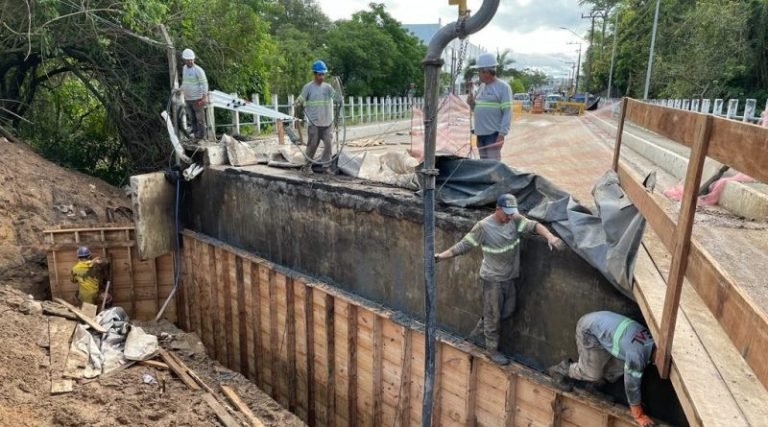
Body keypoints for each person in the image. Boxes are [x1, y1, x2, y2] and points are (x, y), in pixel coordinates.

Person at [435, 194, 565, 365]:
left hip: (509, 278)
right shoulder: (483, 227)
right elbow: (463, 246)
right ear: (497, 209)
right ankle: (491, 350)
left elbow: (534, 226)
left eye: (512, 213)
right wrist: (440, 256)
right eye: (507, 214)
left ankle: (480, 330)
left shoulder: (514, 220)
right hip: (492, 280)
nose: (510, 217)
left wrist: (550, 237)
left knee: (508, 310)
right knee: (493, 317)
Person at [548, 311, 657, 427]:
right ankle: (562, 369)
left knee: (622, 366)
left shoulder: (651, 342)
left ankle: (594, 386)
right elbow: (631, 386)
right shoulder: (638, 355)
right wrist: (639, 415)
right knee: (592, 373)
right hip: (589, 331)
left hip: (603, 328)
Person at [295, 60, 340, 174]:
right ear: (314, 74)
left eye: (323, 74)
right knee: (312, 145)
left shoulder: (328, 87)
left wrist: (338, 91)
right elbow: (300, 99)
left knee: (328, 145)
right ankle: (307, 167)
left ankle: (326, 166)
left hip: (327, 122)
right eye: (320, 75)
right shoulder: (308, 87)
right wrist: (298, 103)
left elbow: (337, 98)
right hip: (314, 123)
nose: (322, 77)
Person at [466, 53, 512, 160]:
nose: (478, 74)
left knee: (492, 164)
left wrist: (502, 134)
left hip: (493, 135)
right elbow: (476, 108)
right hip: (480, 134)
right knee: (484, 164)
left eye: (479, 71)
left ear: (486, 72)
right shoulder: (482, 87)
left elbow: (507, 112)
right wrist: (471, 103)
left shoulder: (503, 87)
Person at [180, 48, 209, 140]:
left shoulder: (198, 70)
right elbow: (185, 82)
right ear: (184, 60)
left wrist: (204, 96)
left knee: (200, 119)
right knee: (192, 118)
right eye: (188, 60)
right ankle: (196, 135)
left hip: (197, 99)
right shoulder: (184, 69)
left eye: (191, 59)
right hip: (188, 98)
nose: (190, 61)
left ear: (194, 59)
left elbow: (204, 84)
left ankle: (202, 137)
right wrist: (180, 89)